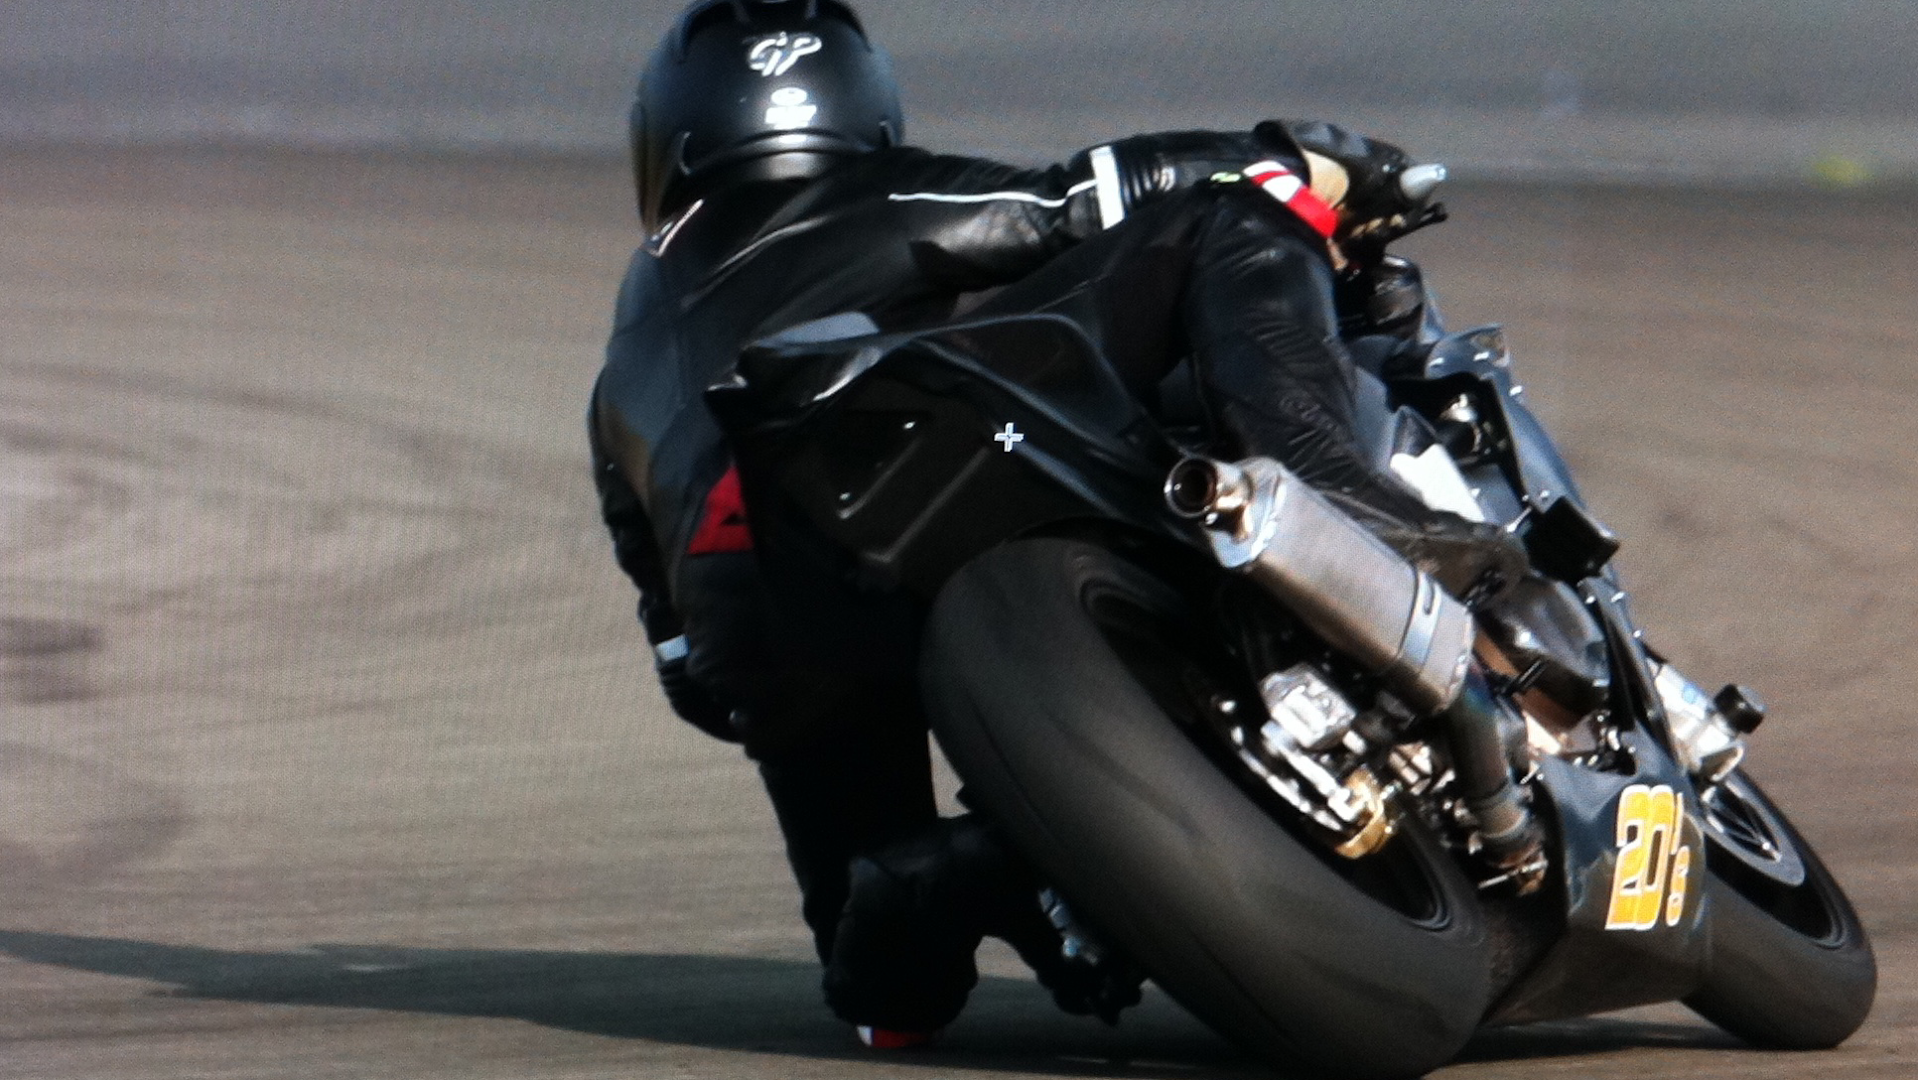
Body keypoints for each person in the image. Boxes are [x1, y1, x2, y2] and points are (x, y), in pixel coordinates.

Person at [589, 0, 1526, 1046]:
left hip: (755, 619)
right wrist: (1307, 159)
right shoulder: (876, 191)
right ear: (861, 113)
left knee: (892, 1005)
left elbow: (679, 662)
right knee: (1228, 212)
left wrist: (761, 692)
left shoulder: (622, 360)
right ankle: (1345, 502)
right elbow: (1086, 195)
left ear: (670, 140)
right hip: (897, 480)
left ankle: (954, 873)